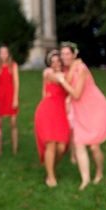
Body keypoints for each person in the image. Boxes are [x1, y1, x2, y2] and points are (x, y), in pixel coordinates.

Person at [58, 42, 106, 190]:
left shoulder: (80, 68)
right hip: (80, 110)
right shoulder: (66, 69)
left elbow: (76, 94)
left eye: (67, 53)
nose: (64, 56)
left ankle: (99, 172)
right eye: (62, 54)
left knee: (94, 147)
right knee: (79, 143)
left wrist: (63, 81)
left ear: (74, 54)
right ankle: (85, 179)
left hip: (94, 107)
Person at [34, 50, 71, 187]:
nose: (55, 64)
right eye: (52, 61)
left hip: (61, 112)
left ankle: (51, 169)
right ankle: (51, 177)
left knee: (61, 147)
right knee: (51, 143)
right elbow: (56, 81)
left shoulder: (67, 74)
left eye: (58, 61)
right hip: (47, 110)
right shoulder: (48, 73)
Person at [0, 45, 20, 155]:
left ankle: (15, 148)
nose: (3, 54)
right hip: (0, 96)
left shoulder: (13, 65)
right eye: (1, 52)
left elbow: (16, 82)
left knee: (13, 123)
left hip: (10, 95)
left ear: (8, 54)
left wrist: (15, 98)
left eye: (5, 52)